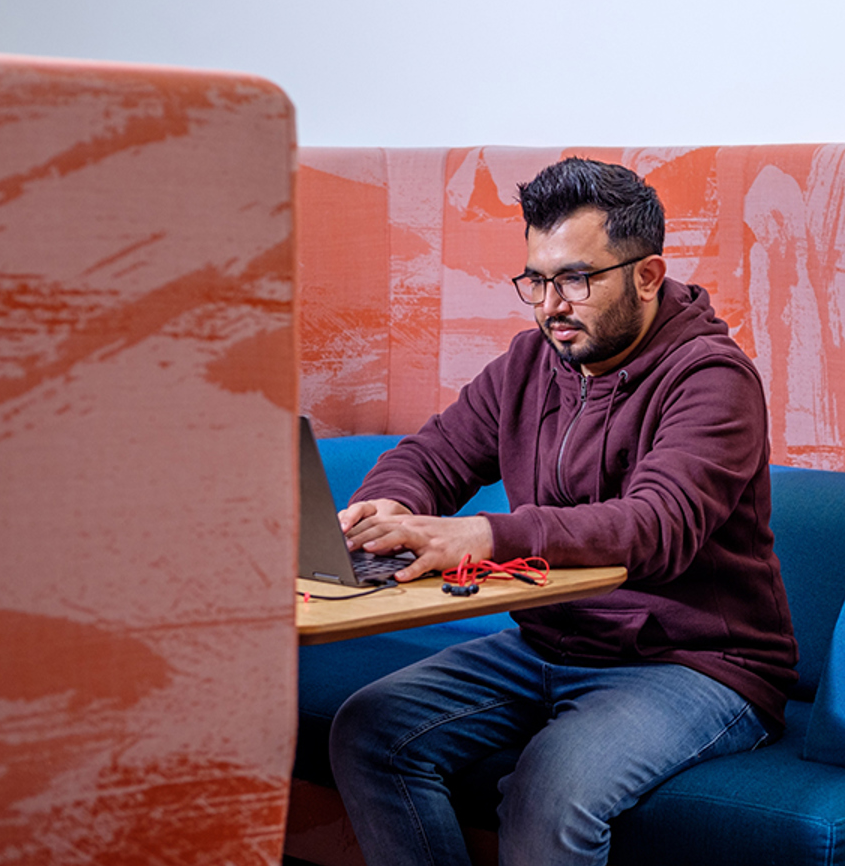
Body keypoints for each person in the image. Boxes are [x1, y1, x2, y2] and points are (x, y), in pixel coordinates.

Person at [329, 157, 797, 866]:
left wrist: (483, 535)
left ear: (646, 275)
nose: (551, 305)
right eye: (537, 281)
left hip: (692, 663)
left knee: (548, 789)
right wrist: (383, 508)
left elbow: (655, 526)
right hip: (549, 645)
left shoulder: (712, 378)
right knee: (367, 729)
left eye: (575, 279)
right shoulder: (530, 363)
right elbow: (436, 454)